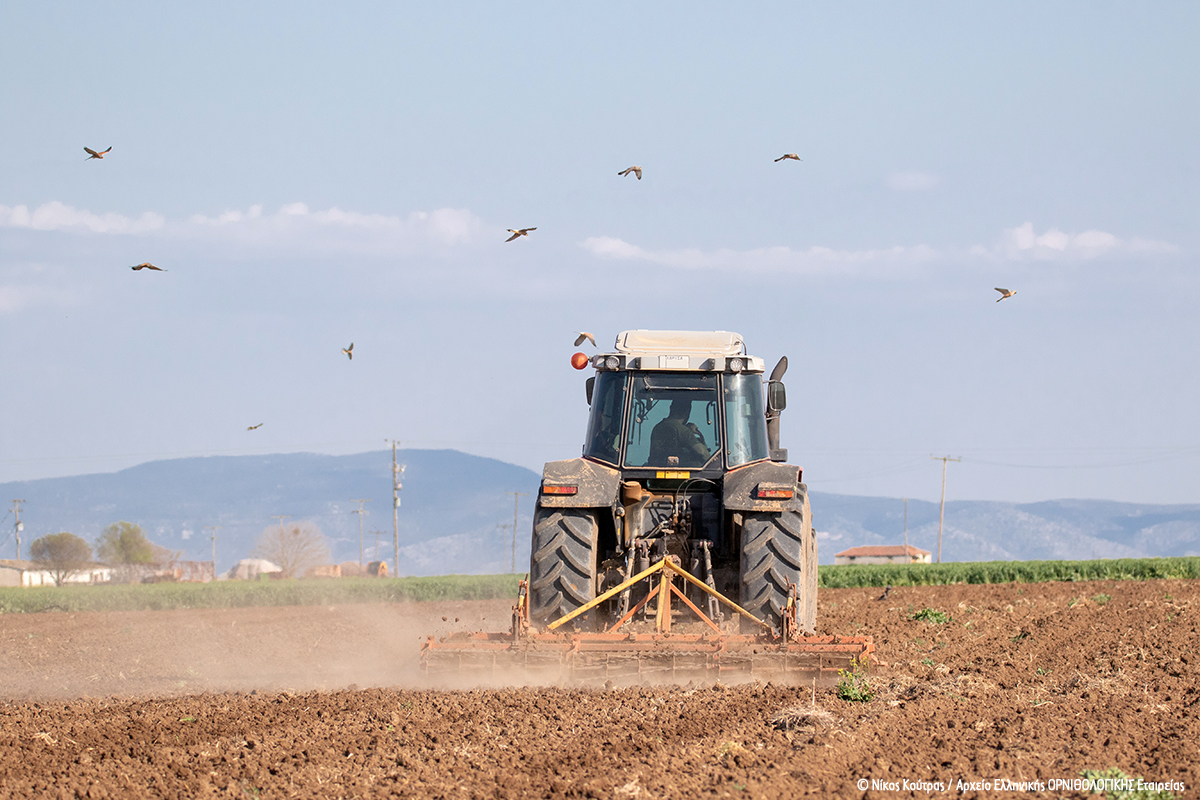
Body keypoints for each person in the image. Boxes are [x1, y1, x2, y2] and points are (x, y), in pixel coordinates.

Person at [649, 399, 710, 467]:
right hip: (681, 473)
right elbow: (703, 453)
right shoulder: (684, 431)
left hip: (654, 471)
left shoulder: (658, 427)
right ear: (688, 412)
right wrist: (699, 435)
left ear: (671, 408)